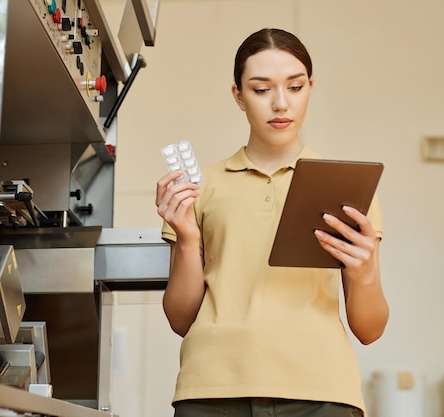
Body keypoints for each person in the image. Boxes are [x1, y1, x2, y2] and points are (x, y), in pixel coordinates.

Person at [154, 28, 389, 417]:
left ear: (310, 88)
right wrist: (185, 238)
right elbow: (181, 319)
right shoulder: (199, 187)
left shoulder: (348, 189)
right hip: (212, 389)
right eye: (261, 90)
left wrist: (364, 273)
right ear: (238, 96)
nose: (281, 104)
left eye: (294, 87)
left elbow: (370, 330)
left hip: (322, 390)